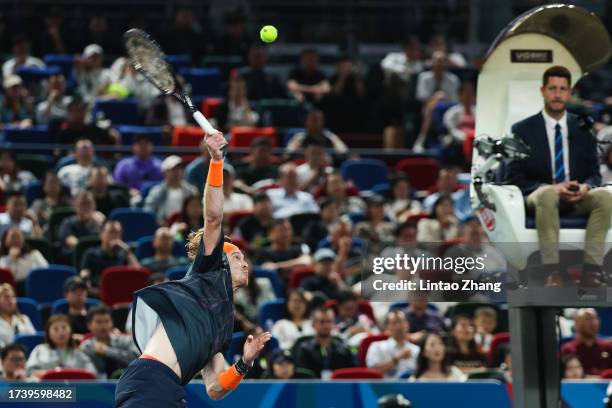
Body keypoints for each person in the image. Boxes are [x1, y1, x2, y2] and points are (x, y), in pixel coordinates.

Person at [115, 129, 271, 406]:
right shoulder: (206, 274)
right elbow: (212, 219)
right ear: (218, 261)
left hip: (170, 387)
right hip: (150, 378)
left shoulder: (223, 323)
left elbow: (215, 387)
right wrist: (216, 160)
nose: (244, 262)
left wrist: (245, 363)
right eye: (235, 257)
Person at [507, 65, 612, 288]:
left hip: (575, 198)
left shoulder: (583, 129)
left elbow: (594, 173)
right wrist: (554, 188)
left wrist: (586, 187)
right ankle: (551, 272)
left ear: (569, 92)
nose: (557, 94)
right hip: (540, 196)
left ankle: (591, 272)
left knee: (604, 196)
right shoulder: (523, 130)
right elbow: (514, 177)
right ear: (543, 90)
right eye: (552, 88)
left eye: (563, 89)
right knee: (547, 195)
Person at [80, 220, 140, 297]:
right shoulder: (91, 254)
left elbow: (138, 274)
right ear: (101, 234)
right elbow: (84, 277)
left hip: (121, 296)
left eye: (118, 232)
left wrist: (128, 251)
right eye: (111, 232)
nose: (115, 236)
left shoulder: (124, 255)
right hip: (98, 295)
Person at [26, 314, 97, 378]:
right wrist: (48, 375)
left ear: (71, 331)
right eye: (55, 329)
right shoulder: (40, 350)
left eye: (64, 328)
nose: (61, 332)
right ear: (48, 333)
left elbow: (92, 373)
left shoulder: (79, 352)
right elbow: (29, 371)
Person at [293, 307, 354, 379]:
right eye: (322, 322)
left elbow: (351, 376)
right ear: (313, 324)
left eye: (329, 321)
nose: (326, 326)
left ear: (334, 323)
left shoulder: (343, 349)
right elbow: (300, 377)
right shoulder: (303, 349)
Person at [80, 306, 139, 379]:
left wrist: (107, 351)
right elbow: (90, 374)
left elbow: (136, 360)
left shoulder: (125, 341)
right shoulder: (86, 347)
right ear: (89, 325)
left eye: (107, 321)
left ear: (112, 323)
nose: (103, 326)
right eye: (98, 322)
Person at [144, 155, 199, 225]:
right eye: (173, 169)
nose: (178, 172)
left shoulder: (192, 191)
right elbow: (148, 210)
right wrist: (157, 221)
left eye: (180, 168)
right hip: (163, 227)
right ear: (164, 172)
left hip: (187, 227)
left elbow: (197, 212)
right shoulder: (156, 191)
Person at [366, 310, 420, 378]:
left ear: (407, 325)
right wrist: (398, 358)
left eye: (400, 322)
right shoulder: (376, 347)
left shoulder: (416, 350)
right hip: (384, 387)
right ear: (387, 327)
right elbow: (372, 372)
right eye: (394, 323)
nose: (398, 327)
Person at [561, 308, 612, 377]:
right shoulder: (569, 349)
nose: (593, 322)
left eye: (595, 318)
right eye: (588, 319)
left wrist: (603, 376)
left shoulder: (608, 347)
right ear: (577, 324)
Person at [57, 191, 104, 261]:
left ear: (94, 205)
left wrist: (101, 225)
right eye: (82, 204)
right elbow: (72, 242)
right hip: (75, 258)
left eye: (89, 203)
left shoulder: (99, 222)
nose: (86, 207)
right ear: (75, 206)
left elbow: (105, 242)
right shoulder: (68, 223)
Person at [54, 98, 118, 147]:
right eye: (76, 111)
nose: (79, 114)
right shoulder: (63, 132)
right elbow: (57, 153)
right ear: (69, 112)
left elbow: (113, 135)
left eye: (82, 110)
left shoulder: (93, 128)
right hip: (70, 161)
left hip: (92, 161)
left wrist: (112, 133)